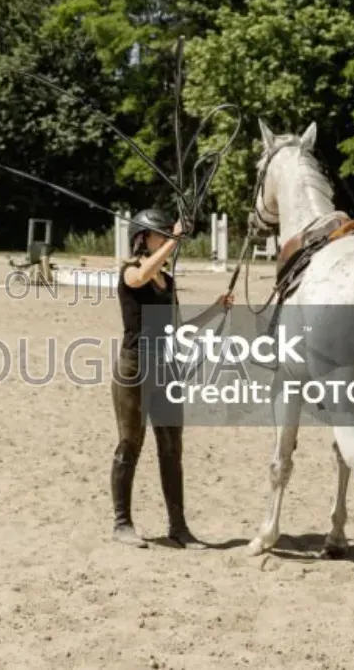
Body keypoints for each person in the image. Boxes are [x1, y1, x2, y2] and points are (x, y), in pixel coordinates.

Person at [110, 208, 233, 549]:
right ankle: (122, 524)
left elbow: (178, 329)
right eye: (160, 235)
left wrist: (215, 309)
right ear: (142, 238)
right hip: (135, 368)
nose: (167, 240)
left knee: (171, 448)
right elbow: (141, 276)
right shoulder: (130, 272)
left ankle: (178, 527)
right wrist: (175, 238)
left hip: (166, 368)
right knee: (130, 444)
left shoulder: (168, 281)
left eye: (168, 235)